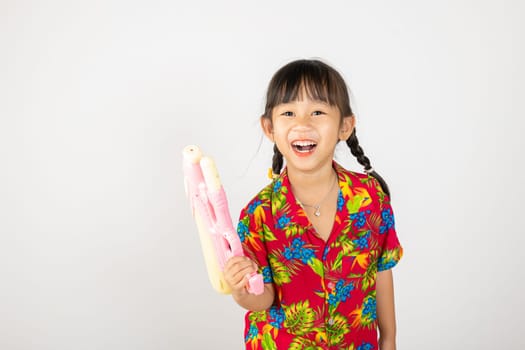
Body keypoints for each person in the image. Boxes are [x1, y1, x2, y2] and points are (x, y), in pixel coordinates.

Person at [224, 59, 403, 350]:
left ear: (345, 126)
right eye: (289, 113)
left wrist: (390, 339)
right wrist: (242, 292)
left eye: (317, 112)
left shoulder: (370, 198)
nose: (302, 124)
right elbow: (263, 296)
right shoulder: (258, 215)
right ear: (269, 128)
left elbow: (382, 270)